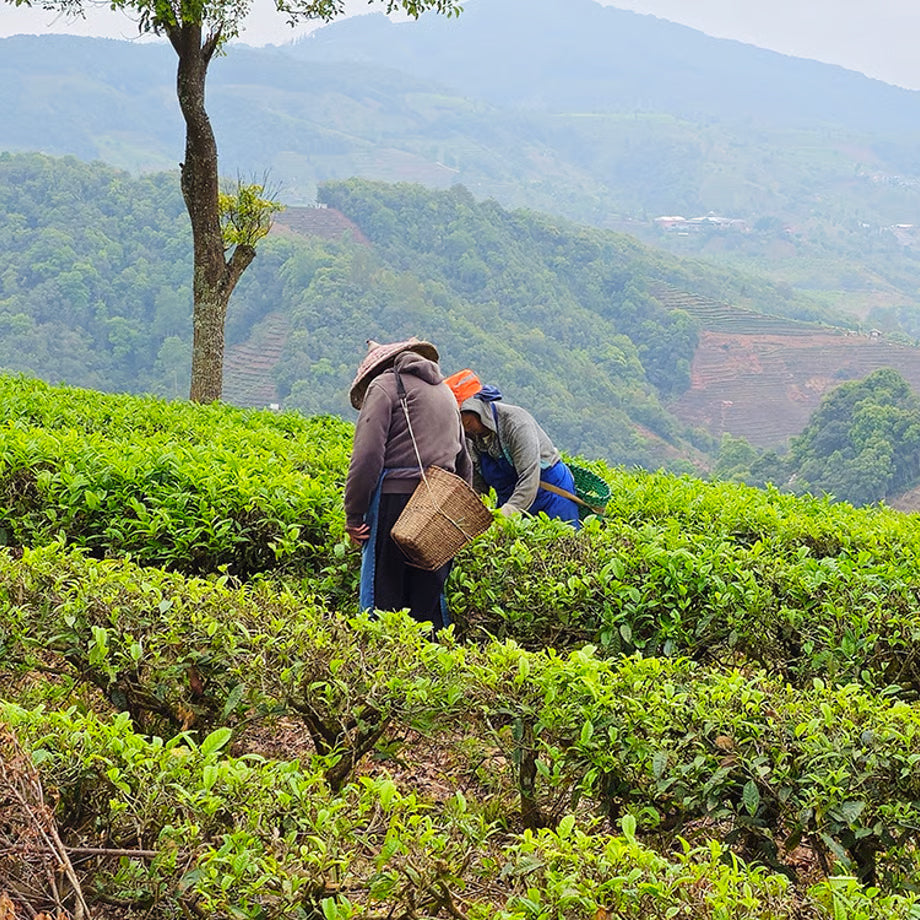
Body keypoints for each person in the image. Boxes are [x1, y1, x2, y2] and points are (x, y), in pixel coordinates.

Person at [344, 337, 472, 630]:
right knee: (427, 601)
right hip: (439, 504)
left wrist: (354, 514)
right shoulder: (445, 392)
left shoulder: (384, 387)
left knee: (383, 601)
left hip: (395, 502)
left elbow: (367, 456)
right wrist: (456, 514)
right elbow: (464, 459)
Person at [445, 369, 580, 526]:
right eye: (461, 426)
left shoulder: (516, 425)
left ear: (479, 411)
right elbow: (478, 484)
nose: (466, 429)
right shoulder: (471, 438)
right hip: (510, 498)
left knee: (561, 543)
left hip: (549, 495)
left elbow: (529, 477)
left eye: (468, 423)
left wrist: (508, 512)